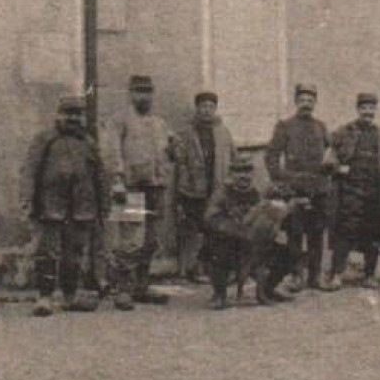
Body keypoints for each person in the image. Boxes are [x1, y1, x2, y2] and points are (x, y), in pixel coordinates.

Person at [20, 94, 113, 317]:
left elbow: (100, 175)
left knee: (74, 254)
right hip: (51, 205)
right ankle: (45, 297)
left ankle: (70, 295)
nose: (72, 118)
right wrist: (27, 201)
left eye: (77, 114)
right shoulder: (45, 139)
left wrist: (104, 204)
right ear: (59, 115)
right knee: (48, 253)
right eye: (68, 113)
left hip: (81, 207)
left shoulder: (88, 143)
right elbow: (30, 172)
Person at [110, 74, 176, 310]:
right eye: (139, 91)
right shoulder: (120, 121)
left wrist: (172, 152)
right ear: (130, 94)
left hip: (156, 187)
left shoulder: (160, 123)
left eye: (147, 92)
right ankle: (123, 290)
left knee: (151, 240)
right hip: (131, 186)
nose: (144, 96)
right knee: (130, 240)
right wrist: (117, 180)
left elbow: (169, 153)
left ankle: (141, 286)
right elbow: (113, 152)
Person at [326, 93, 380, 289]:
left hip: (374, 193)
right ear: (358, 109)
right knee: (344, 233)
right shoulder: (344, 132)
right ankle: (336, 275)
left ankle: (369, 275)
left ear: (375, 110)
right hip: (349, 192)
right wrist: (337, 167)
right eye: (364, 108)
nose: (368, 112)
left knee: (372, 235)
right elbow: (328, 153)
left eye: (371, 108)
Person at [265, 82, 333, 291]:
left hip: (318, 189)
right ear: (296, 102)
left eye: (310, 100)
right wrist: (284, 179)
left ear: (315, 102)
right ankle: (296, 275)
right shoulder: (284, 126)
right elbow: (271, 157)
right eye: (302, 100)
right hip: (295, 189)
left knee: (317, 233)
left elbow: (332, 152)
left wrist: (330, 167)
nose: (306, 104)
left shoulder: (321, 127)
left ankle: (315, 276)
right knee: (295, 233)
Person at [203, 154, 292, 310]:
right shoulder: (222, 194)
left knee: (288, 252)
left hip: (255, 243)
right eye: (239, 171)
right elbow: (211, 219)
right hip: (231, 242)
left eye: (247, 171)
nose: (243, 175)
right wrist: (237, 230)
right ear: (231, 174)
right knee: (216, 251)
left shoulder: (258, 192)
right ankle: (220, 294)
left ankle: (268, 289)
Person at [175, 91, 234, 283]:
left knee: (215, 228)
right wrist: (185, 183)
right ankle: (192, 268)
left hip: (217, 188)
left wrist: (228, 181)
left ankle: (211, 267)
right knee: (197, 229)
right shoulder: (186, 133)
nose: (207, 110)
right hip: (194, 190)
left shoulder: (223, 132)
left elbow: (233, 156)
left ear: (215, 109)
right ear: (197, 109)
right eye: (203, 106)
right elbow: (180, 161)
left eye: (211, 106)